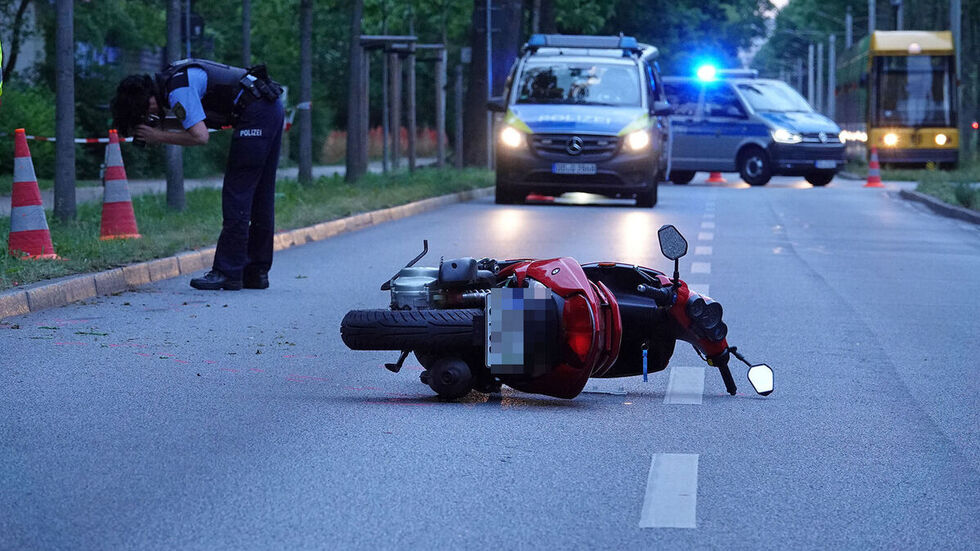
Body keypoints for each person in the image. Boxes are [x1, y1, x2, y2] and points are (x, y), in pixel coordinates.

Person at [111, 58, 284, 290]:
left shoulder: (177, 91)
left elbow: (200, 136)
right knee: (261, 196)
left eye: (144, 110)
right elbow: (192, 122)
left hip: (256, 112)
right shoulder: (173, 80)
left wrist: (158, 136)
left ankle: (228, 272)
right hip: (269, 107)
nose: (148, 114)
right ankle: (255, 272)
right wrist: (159, 129)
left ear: (148, 98)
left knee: (238, 194)